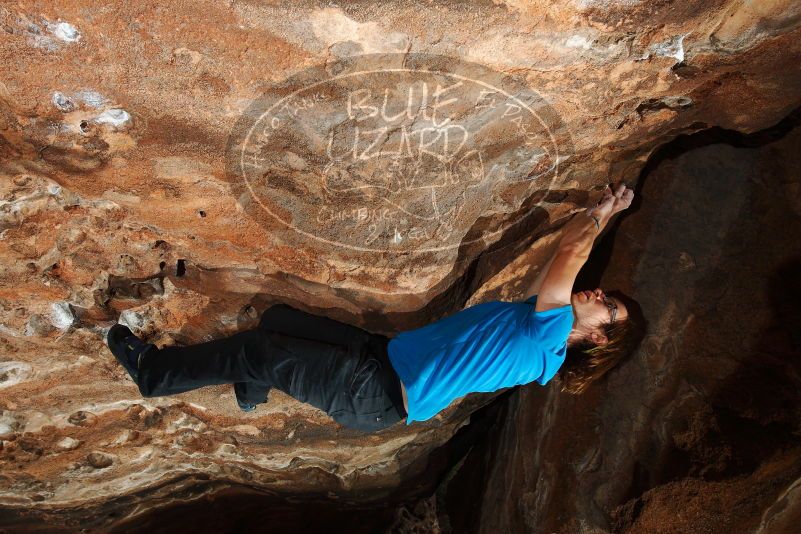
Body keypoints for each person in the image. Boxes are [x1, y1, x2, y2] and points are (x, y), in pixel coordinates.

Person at [107, 183, 641, 432]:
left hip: (371, 392)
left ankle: (154, 374)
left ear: (596, 338)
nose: (597, 295)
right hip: (381, 358)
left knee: (254, 348)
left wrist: (604, 210)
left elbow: (570, 253)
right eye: (606, 295)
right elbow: (565, 269)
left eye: (607, 310)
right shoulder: (536, 323)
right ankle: (253, 387)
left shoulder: (546, 342)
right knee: (277, 321)